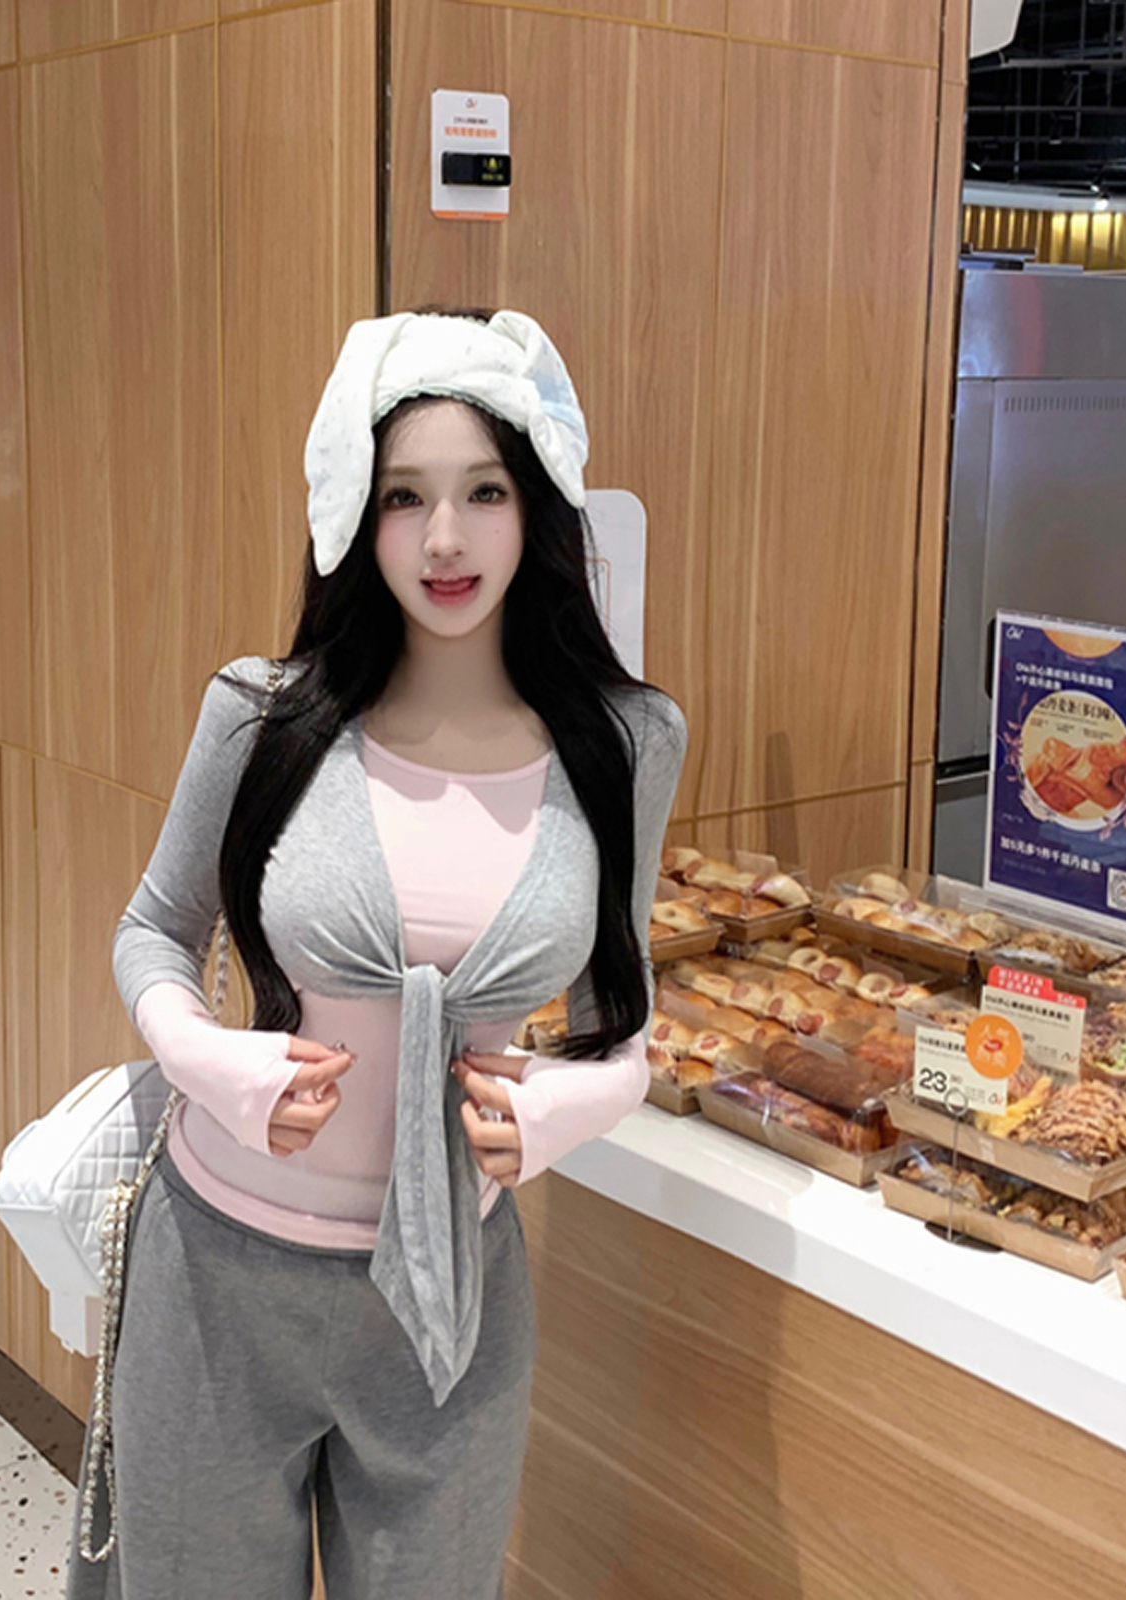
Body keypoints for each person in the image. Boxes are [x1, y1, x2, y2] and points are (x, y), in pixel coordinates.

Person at [65, 307, 686, 1599]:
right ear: (357, 508)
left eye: (484, 491)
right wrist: (207, 1060)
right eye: (406, 496)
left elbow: (623, 1014)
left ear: (537, 505)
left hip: (451, 1309)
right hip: (218, 1282)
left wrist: (582, 1101)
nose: (445, 539)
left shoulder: (625, 743)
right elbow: (153, 931)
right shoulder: (262, 715)